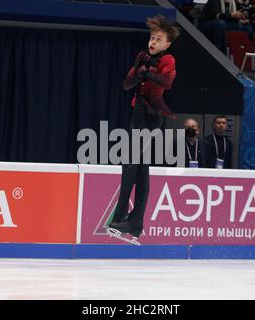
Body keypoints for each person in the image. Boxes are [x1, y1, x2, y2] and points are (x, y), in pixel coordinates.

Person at [107, 15, 180, 240]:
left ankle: (124, 217)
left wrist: (147, 72)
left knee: (132, 164)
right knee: (138, 167)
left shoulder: (168, 59)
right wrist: (138, 68)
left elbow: (167, 82)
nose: (153, 41)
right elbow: (126, 84)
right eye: (152, 37)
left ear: (166, 44)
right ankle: (134, 222)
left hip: (151, 116)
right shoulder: (145, 58)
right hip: (138, 114)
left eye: (158, 39)